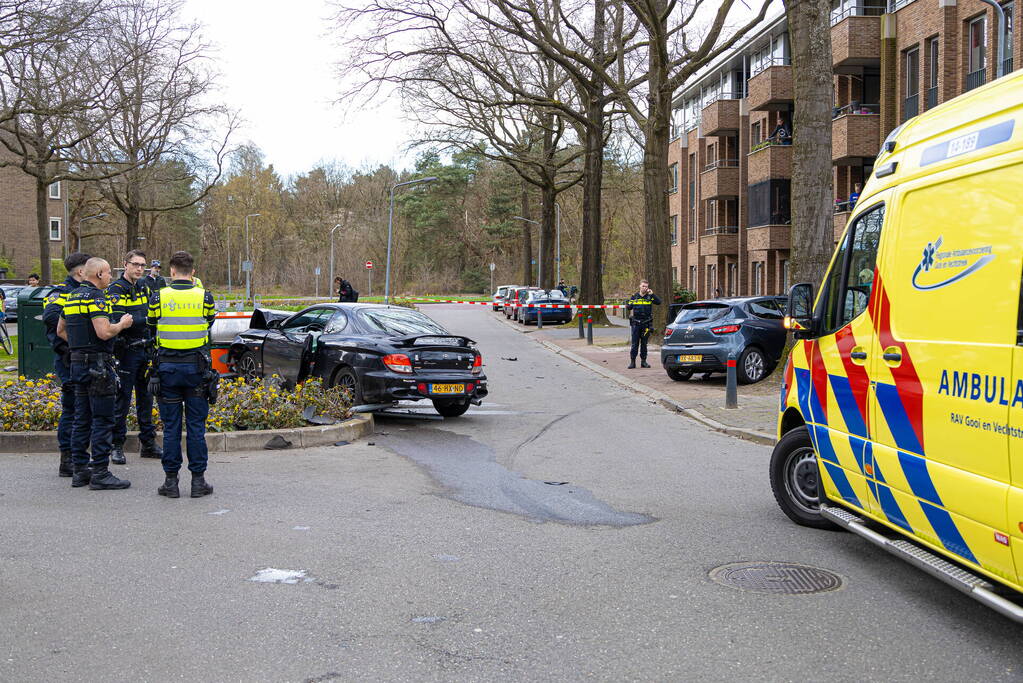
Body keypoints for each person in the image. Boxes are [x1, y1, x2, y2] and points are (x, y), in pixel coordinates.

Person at [56, 257, 133, 490]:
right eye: (109, 272)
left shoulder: (71, 297)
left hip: (77, 364)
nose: (111, 276)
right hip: (98, 366)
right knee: (102, 419)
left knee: (81, 418)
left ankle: (80, 471)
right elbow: (103, 332)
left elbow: (61, 330)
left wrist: (80, 347)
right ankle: (100, 472)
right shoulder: (96, 297)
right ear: (99, 274)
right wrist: (121, 324)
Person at [148, 250, 217, 499]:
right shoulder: (205, 297)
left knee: (171, 429)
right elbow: (209, 322)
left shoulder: (159, 296)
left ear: (171, 271)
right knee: (196, 428)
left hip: (166, 370)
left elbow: (151, 325)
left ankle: (171, 482)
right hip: (197, 370)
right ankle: (198, 482)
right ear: (193, 272)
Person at [107, 250, 162, 465]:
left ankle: (147, 443)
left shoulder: (144, 287)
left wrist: (142, 321)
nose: (139, 268)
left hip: (145, 350)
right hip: (126, 351)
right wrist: (143, 320)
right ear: (125, 265)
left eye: (143, 265)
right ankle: (117, 445)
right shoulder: (116, 289)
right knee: (122, 399)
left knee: (146, 398)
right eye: (135, 264)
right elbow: (120, 319)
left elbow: (149, 317)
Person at [42, 252, 90, 477]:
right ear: (81, 271)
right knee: (72, 408)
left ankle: (78, 456)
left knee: (82, 409)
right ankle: (67, 458)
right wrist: (75, 341)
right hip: (68, 359)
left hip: (81, 359)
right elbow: (51, 317)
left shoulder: (84, 292)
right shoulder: (61, 293)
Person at [625, 279, 662, 369]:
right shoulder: (634, 296)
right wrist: (629, 303)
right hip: (636, 324)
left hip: (646, 324)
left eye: (646, 286)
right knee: (634, 344)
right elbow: (629, 307)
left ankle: (643, 362)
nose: (645, 288)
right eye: (643, 286)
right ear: (640, 286)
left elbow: (659, 302)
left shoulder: (650, 297)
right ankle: (632, 362)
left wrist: (652, 294)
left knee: (644, 344)